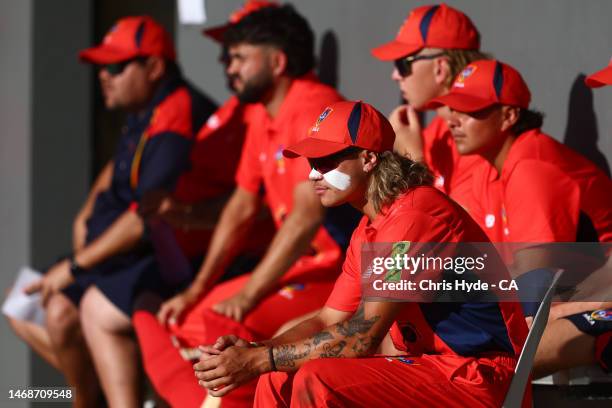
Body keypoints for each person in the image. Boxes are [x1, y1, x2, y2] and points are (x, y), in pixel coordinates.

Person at [192, 100, 529, 407]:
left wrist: (259, 359)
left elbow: (363, 338)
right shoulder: (372, 226)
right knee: (277, 376)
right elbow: (328, 319)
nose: (313, 174)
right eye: (312, 162)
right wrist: (259, 351)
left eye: (325, 161)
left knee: (316, 378)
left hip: (479, 376)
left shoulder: (415, 217)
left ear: (369, 158)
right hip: (432, 367)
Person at [135, 5, 360, 407]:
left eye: (238, 56)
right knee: (184, 321)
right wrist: (196, 289)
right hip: (297, 270)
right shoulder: (262, 112)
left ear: (277, 61)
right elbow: (240, 208)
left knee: (224, 331)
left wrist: (249, 294)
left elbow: (306, 218)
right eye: (227, 57)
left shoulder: (311, 106)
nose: (228, 67)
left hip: (336, 275)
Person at [6, 15, 218, 408]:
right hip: (123, 255)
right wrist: (84, 213)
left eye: (117, 67)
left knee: (86, 310)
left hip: (166, 258)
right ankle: (94, 396)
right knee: (21, 308)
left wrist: (75, 265)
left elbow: (145, 217)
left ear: (153, 67)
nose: (105, 76)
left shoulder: (175, 114)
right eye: (103, 67)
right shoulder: (144, 108)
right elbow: (118, 168)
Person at [426, 59, 612, 377]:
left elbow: (533, 292)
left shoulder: (531, 165)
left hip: (591, 298)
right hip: (574, 300)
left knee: (475, 366)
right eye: (452, 110)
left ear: (510, 115)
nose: (454, 121)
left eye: (470, 110)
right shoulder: (493, 167)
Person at [371, 3, 490, 209]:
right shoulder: (435, 131)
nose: (395, 75)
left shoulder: (481, 131)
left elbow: (461, 231)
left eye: (403, 64)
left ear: (440, 69)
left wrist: (413, 157)